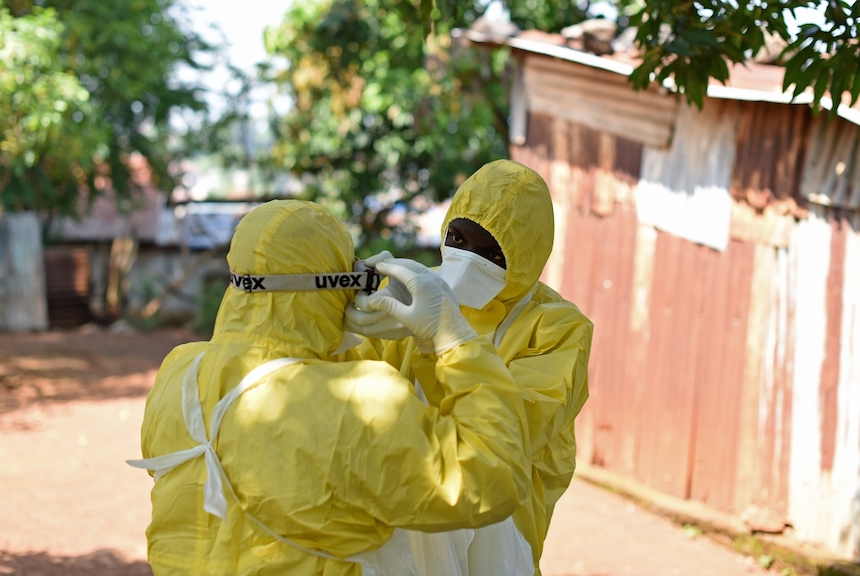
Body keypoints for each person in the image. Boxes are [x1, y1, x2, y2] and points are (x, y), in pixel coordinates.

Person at [126, 199, 532, 576]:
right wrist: (451, 338)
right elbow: (494, 477)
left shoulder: (179, 372)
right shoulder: (358, 405)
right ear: (336, 284)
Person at [345, 159, 593, 575]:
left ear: (526, 258)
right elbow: (348, 393)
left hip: (499, 524)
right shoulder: (410, 291)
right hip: (399, 498)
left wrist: (438, 344)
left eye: (492, 253)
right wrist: (346, 318)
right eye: (457, 238)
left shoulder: (556, 328)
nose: (467, 258)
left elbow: (511, 430)